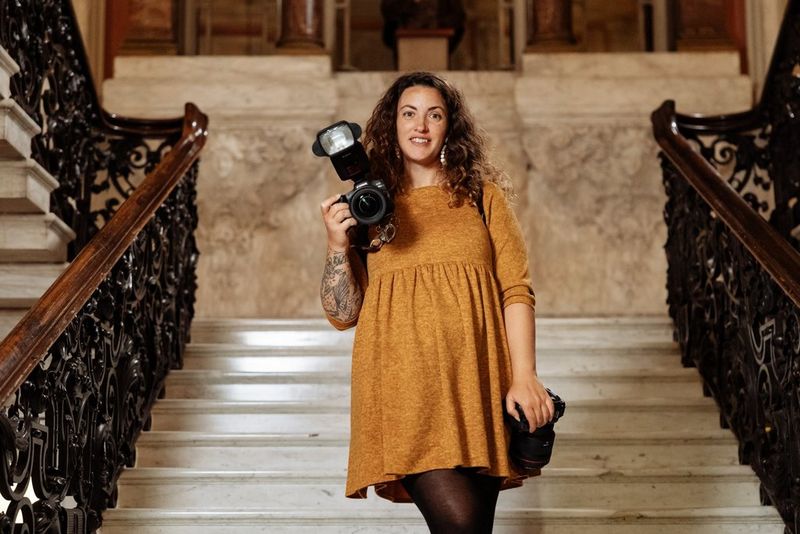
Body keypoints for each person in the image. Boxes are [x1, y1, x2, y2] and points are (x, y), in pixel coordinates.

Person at [319, 71, 554, 533]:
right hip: (403, 391)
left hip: (477, 385)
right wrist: (335, 247)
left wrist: (524, 375)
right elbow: (343, 313)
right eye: (409, 114)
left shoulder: (482, 199)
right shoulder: (370, 208)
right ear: (392, 124)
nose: (420, 126)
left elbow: (516, 291)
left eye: (434, 115)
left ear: (450, 127)